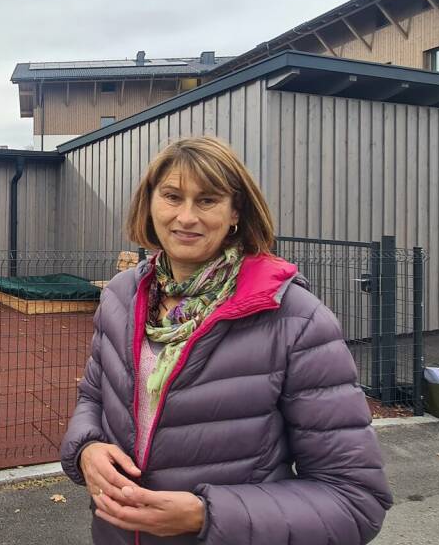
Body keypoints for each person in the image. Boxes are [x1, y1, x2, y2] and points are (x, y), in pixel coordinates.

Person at [61, 136, 392, 544]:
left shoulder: (295, 319)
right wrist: (86, 448)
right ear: (150, 204)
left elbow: (354, 500)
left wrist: (206, 517)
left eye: (207, 201)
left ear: (235, 212)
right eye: (172, 196)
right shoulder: (120, 296)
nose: (186, 217)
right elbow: (94, 397)